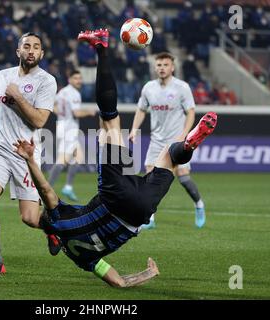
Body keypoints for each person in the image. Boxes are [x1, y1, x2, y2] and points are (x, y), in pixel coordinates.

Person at [13, 29, 218, 287]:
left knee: (168, 157)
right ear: (49, 227)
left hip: (140, 213)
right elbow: (45, 190)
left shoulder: (81, 259)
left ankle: (188, 144)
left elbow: (119, 282)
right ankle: (101, 47)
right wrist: (30, 159)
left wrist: (148, 274)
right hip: (114, 197)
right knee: (109, 121)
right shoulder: (57, 219)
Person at [0, 32, 59, 276]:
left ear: (41, 54)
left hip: (26, 154)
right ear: (18, 51)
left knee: (30, 218)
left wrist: (18, 97)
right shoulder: (2, 76)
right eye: (26, 46)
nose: (31, 50)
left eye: (36, 47)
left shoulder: (46, 81)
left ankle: (52, 229)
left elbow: (40, 120)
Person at [129, 52, 207, 229]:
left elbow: (191, 112)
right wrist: (134, 129)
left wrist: (184, 135)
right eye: (159, 65)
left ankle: (199, 205)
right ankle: (150, 219)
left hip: (176, 141)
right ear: (155, 67)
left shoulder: (182, 87)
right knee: (150, 177)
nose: (162, 68)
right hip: (156, 141)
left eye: (165, 65)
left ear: (172, 67)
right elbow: (141, 109)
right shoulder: (148, 87)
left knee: (183, 177)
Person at [47, 70, 96, 201]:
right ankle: (46, 189)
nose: (79, 81)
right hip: (69, 130)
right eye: (76, 78)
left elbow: (52, 104)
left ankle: (67, 187)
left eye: (80, 78)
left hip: (62, 127)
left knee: (78, 157)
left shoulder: (62, 92)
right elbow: (76, 113)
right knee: (61, 161)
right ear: (70, 80)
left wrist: (61, 114)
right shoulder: (74, 94)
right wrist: (89, 112)